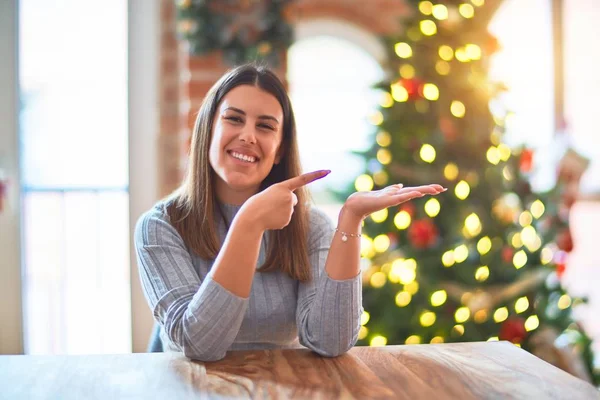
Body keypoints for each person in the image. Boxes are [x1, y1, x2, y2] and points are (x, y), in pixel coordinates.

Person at [134, 63, 445, 362]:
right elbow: (198, 344)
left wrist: (351, 220)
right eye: (234, 119)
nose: (248, 136)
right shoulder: (160, 226)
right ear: (208, 129)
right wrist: (249, 223)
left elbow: (330, 341)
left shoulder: (311, 226)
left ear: (280, 148)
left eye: (265, 126)